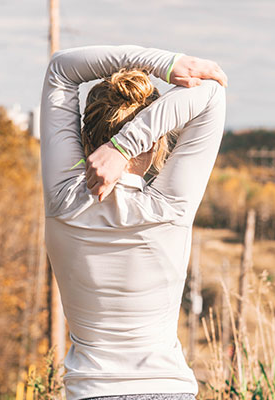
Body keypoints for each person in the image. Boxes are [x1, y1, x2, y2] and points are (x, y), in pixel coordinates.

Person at [39, 45, 227, 400]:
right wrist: (125, 146)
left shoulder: (63, 200)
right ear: (156, 144)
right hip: (167, 390)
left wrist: (165, 65)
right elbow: (212, 94)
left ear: (84, 136)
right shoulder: (168, 208)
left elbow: (61, 69)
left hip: (89, 392)